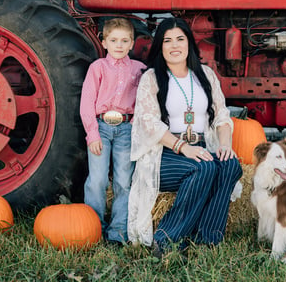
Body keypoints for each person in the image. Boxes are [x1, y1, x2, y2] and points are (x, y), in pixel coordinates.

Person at [127, 17, 243, 255]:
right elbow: (148, 122)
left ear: (189, 43)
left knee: (230, 165)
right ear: (160, 46)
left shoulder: (206, 75)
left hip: (201, 145)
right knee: (203, 168)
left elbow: (221, 115)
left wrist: (224, 144)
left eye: (180, 39)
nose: (174, 45)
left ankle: (207, 239)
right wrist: (183, 147)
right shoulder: (152, 78)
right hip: (165, 153)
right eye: (167, 40)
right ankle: (167, 239)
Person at [80, 17, 146, 244]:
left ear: (132, 43)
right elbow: (87, 103)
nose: (119, 45)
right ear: (104, 42)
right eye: (114, 40)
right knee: (97, 180)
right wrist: (92, 134)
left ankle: (118, 232)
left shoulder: (139, 70)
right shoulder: (97, 68)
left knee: (124, 180)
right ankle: (94, 227)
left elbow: (145, 101)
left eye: (124, 40)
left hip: (127, 129)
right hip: (101, 128)